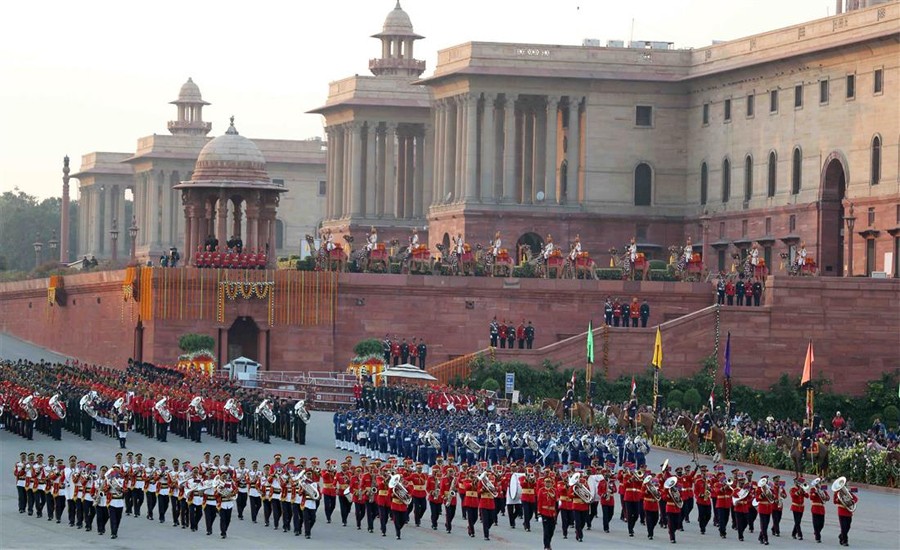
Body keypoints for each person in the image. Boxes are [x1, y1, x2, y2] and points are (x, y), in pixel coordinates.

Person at [537, 475, 558, 550]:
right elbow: (539, 502)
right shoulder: (541, 490)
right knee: (546, 530)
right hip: (544, 512)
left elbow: (556, 500)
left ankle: (548, 543)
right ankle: (546, 546)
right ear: (544, 483)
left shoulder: (554, 490)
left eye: (549, 482)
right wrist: (539, 514)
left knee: (551, 530)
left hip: (552, 513)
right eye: (546, 482)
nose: (548, 483)